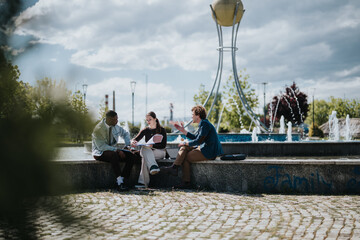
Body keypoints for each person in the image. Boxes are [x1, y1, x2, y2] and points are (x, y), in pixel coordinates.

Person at [161, 105, 223, 189]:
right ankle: (175, 169)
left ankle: (180, 174)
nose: (191, 116)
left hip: (209, 152)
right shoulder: (203, 123)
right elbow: (196, 138)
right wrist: (184, 131)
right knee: (184, 148)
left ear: (198, 115)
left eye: (193, 114)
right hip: (205, 148)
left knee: (185, 156)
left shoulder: (205, 124)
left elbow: (198, 141)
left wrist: (186, 143)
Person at [92, 110, 137, 191]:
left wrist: (127, 145)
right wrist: (117, 150)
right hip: (99, 153)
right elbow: (101, 147)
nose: (117, 121)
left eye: (117, 119)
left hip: (113, 151)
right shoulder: (98, 129)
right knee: (114, 155)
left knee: (131, 155)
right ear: (109, 119)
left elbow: (125, 133)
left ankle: (122, 180)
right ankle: (119, 183)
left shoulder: (115, 126)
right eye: (115, 119)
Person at [131, 111, 167, 188]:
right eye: (147, 120)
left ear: (155, 119)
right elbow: (135, 139)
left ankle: (143, 183)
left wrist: (153, 145)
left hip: (160, 152)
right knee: (145, 149)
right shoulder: (145, 130)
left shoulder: (162, 130)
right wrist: (133, 141)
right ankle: (153, 166)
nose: (148, 122)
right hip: (148, 152)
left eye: (150, 119)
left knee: (145, 156)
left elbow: (163, 145)